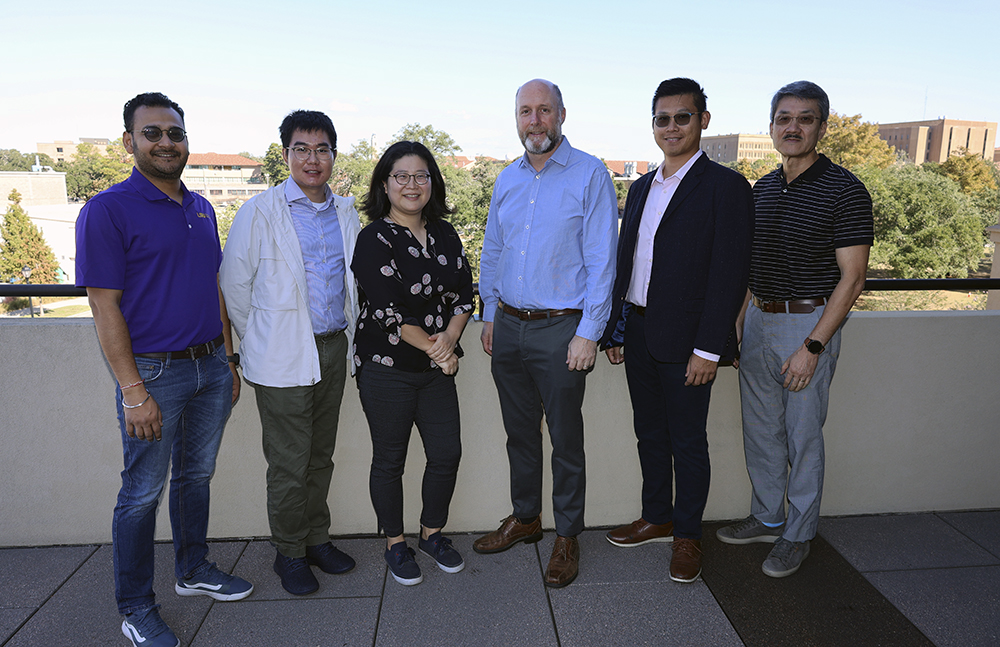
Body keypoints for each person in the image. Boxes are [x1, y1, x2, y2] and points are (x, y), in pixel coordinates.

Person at [76, 92, 252, 647]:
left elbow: (214, 290)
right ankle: (135, 606)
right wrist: (132, 389)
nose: (165, 142)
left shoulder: (201, 207)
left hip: (209, 369)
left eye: (174, 133)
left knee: (196, 477)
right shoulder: (107, 210)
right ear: (129, 142)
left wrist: (228, 359)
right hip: (152, 375)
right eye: (152, 133)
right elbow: (104, 305)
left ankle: (193, 570)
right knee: (141, 494)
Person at [600, 78, 754, 583]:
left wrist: (710, 348)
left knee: (687, 442)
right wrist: (616, 330)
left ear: (703, 121)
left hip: (690, 343)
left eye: (682, 117)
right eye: (662, 118)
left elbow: (730, 275)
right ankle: (656, 516)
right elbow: (632, 263)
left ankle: (688, 535)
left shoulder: (726, 187)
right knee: (649, 434)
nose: (671, 127)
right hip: (639, 332)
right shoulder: (643, 185)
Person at [716, 81, 873, 578]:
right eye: (784, 118)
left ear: (821, 128)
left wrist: (813, 346)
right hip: (760, 318)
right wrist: (739, 326)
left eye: (805, 119)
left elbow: (853, 278)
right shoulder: (761, 188)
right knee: (761, 429)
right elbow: (748, 265)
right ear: (772, 127)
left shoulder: (845, 189)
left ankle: (798, 533)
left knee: (803, 435)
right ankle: (767, 515)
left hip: (808, 321)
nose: (793, 127)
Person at [474, 79, 619, 588]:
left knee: (565, 440)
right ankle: (527, 519)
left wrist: (589, 332)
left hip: (562, 330)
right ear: (516, 118)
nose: (534, 121)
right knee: (519, 434)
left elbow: (603, 261)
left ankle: (568, 535)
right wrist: (489, 312)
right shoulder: (506, 179)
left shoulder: (590, 174)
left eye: (543, 111)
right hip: (508, 327)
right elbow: (493, 248)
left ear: (562, 115)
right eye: (525, 112)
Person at [219, 110, 360, 596]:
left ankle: (317, 540)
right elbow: (234, 287)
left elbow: (352, 284)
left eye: (322, 149)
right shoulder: (259, 212)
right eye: (301, 148)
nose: (312, 159)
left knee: (321, 457)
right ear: (285, 155)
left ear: (333, 157)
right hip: (281, 357)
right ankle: (289, 552)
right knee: (288, 461)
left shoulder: (345, 211)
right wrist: (260, 339)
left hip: (332, 349)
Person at [352, 141, 474, 586]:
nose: (411, 184)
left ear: (432, 183)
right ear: (385, 184)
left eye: (420, 175)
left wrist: (451, 339)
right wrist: (437, 349)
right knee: (389, 460)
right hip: (386, 369)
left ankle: (432, 534)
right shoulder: (373, 238)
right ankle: (395, 543)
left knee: (447, 453)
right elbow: (388, 310)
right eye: (400, 176)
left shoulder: (445, 233)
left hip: (436, 369)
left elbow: (464, 293)